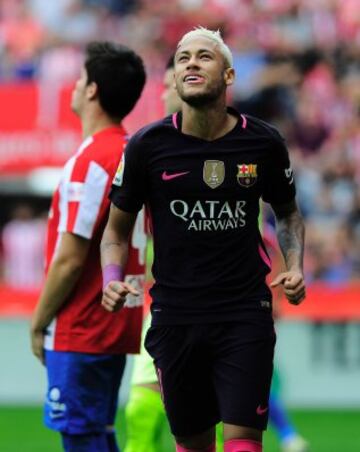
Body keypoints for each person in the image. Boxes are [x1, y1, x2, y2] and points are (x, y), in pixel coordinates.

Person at [101, 27, 305, 452]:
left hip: (244, 312)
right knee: (193, 445)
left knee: (243, 442)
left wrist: (295, 265)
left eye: (204, 56)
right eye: (182, 58)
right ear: (175, 78)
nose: (191, 62)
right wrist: (111, 276)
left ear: (228, 76)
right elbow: (116, 230)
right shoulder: (146, 147)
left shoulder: (263, 142)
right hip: (176, 316)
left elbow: (286, 214)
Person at [30, 41, 146, 452]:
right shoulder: (133, 151)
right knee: (100, 430)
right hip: (116, 319)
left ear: (93, 89)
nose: (75, 87)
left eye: (80, 79)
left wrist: (38, 320)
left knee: (80, 436)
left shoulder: (94, 158)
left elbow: (70, 258)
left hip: (82, 322)